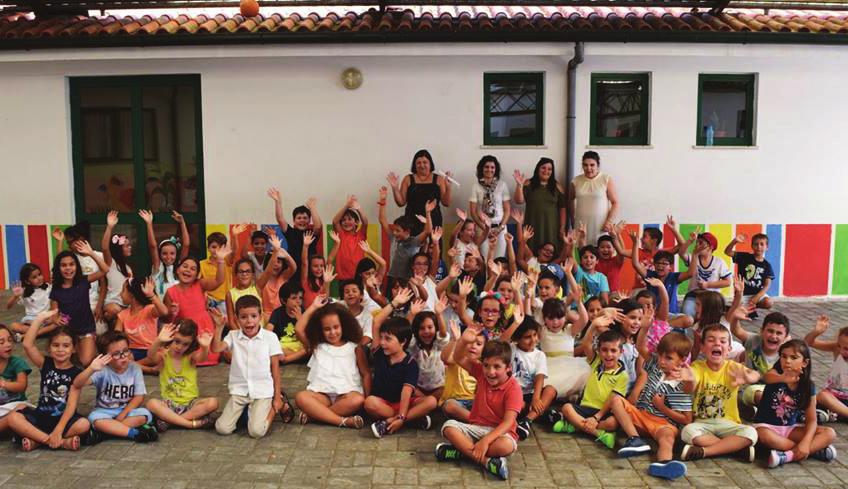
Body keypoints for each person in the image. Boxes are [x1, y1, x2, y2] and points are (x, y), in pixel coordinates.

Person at [436, 324, 522, 480]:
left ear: (508, 368)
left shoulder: (514, 388)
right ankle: (486, 461)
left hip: (500, 433)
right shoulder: (480, 373)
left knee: (507, 446)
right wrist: (463, 340)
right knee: (448, 427)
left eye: (497, 367)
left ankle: (462, 452)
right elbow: (458, 358)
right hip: (476, 428)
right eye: (486, 365)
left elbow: (508, 422)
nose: (490, 372)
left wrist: (486, 442)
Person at [609, 331, 693, 480]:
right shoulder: (655, 366)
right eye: (660, 355)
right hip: (642, 416)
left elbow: (686, 420)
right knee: (616, 400)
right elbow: (641, 346)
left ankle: (664, 464)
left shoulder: (682, 385)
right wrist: (646, 326)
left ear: (683, 360)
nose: (662, 360)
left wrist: (662, 408)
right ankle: (635, 439)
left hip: (664, 424)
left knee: (667, 439)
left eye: (668, 358)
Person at [6, 311, 90, 451]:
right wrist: (39, 319)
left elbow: (70, 406)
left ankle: (38, 440)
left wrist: (59, 429)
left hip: (64, 419)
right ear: (49, 348)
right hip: (41, 417)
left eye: (66, 346)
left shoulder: (76, 373)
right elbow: (27, 344)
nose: (60, 350)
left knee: (84, 424)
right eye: (55, 345)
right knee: (13, 418)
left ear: (74, 348)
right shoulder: (45, 364)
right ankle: (57, 442)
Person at [212, 295, 291, 438]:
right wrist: (218, 328)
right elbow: (216, 349)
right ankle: (246, 413)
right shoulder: (233, 335)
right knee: (222, 428)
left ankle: (275, 407)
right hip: (240, 391)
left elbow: (275, 369)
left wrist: (276, 398)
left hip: (262, 391)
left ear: (260, 316)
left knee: (256, 432)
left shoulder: (270, 337)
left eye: (254, 316)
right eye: (243, 317)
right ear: (236, 318)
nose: (249, 321)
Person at [680, 324, 760, 462]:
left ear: (729, 349)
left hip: (729, 423)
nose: (717, 343)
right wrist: (690, 380)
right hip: (702, 423)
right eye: (711, 340)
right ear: (703, 347)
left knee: (751, 432)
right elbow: (689, 388)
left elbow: (754, 375)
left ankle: (705, 451)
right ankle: (735, 449)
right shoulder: (697, 367)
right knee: (687, 431)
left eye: (723, 341)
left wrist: (749, 377)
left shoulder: (733, 367)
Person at [755, 340, 838, 467]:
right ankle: (813, 451)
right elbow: (767, 378)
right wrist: (783, 378)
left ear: (805, 363)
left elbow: (811, 420)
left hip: (790, 429)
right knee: (764, 436)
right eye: (783, 356)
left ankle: (787, 456)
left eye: (794, 357)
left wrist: (806, 441)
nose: (787, 361)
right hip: (765, 427)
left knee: (829, 433)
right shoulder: (775, 374)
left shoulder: (808, 386)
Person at [294, 297, 371, 428]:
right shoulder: (317, 346)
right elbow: (299, 330)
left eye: (336, 327)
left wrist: (368, 399)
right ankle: (342, 421)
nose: (333, 332)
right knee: (301, 397)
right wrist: (313, 307)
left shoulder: (354, 347)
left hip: (346, 396)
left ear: (343, 326)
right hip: (322, 396)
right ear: (320, 330)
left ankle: (315, 416)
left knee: (358, 400)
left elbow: (366, 374)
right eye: (327, 329)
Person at [72, 331, 158, 443]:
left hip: (127, 411)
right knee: (94, 418)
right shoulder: (102, 370)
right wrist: (91, 369)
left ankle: (105, 433)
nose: (123, 357)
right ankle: (134, 433)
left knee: (145, 414)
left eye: (126, 351)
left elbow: (139, 397)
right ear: (105, 357)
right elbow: (77, 383)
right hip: (104, 411)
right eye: (117, 354)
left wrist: (123, 414)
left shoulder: (135, 368)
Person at [552, 329, 627, 451]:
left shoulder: (623, 376)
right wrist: (594, 325)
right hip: (585, 407)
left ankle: (575, 425)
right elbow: (586, 344)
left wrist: (596, 417)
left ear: (621, 352)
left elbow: (612, 399)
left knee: (613, 423)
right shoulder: (596, 362)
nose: (608, 355)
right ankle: (599, 434)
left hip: (603, 411)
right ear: (598, 350)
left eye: (613, 350)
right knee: (566, 408)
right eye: (604, 350)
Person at [364, 316, 438, 438]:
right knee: (369, 403)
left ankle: (390, 422)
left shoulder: (411, 364)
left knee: (431, 401)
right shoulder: (379, 353)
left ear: (403, 341)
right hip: (384, 404)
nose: (382, 342)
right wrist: (395, 303)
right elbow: (376, 321)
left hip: (405, 403)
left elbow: (406, 392)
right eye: (381, 338)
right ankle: (413, 419)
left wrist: (402, 416)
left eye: (388, 339)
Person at [145, 321, 219, 432]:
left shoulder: (190, 357)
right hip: (169, 404)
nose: (179, 347)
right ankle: (189, 424)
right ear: (170, 337)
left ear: (191, 344)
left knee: (214, 402)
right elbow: (151, 356)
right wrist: (158, 340)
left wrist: (204, 347)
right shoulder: (163, 355)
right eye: (177, 341)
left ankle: (170, 421)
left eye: (185, 344)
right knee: (151, 404)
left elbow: (202, 358)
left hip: (191, 404)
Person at [728, 287, 790, 412]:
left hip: (777, 391)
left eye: (779, 333)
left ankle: (760, 411)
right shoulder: (754, 340)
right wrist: (735, 318)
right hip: (752, 388)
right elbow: (737, 330)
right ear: (762, 331)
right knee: (755, 394)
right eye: (770, 331)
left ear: (785, 337)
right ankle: (766, 410)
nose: (773, 336)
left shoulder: (786, 353)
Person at [49, 241, 109, 366]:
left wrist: (91, 253)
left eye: (71, 264)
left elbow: (105, 269)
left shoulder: (83, 281)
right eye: (63, 265)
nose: (68, 268)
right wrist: (57, 319)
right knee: (63, 360)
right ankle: (79, 349)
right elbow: (53, 314)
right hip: (68, 333)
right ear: (58, 268)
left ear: (77, 266)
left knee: (85, 361)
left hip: (86, 329)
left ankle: (89, 347)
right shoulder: (56, 290)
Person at [165, 251, 229, 367]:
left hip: (204, 330)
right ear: (178, 270)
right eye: (185, 266)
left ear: (196, 275)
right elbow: (167, 319)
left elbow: (218, 281)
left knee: (208, 356)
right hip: (186, 333)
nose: (188, 270)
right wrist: (172, 313)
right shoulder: (170, 292)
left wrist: (220, 261)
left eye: (193, 269)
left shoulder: (200, 284)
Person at [497, 311, 552, 441]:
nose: (533, 340)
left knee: (550, 391)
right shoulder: (511, 349)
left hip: (531, 394)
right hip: (513, 394)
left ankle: (527, 420)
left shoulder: (539, 355)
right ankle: (542, 414)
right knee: (520, 405)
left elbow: (540, 377)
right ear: (517, 339)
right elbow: (501, 342)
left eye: (535, 335)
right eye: (527, 337)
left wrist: (536, 398)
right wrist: (516, 324)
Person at [387, 149, 453, 236]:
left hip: (433, 221)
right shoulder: (408, 179)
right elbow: (401, 203)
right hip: (411, 222)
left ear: (430, 164)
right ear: (415, 165)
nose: (422, 165)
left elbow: (446, 203)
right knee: (412, 248)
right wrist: (395, 188)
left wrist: (448, 187)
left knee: (433, 248)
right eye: (418, 163)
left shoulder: (439, 179)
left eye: (425, 162)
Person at [379, 191, 434, 286]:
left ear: (407, 231)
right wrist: (382, 202)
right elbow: (382, 220)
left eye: (398, 230)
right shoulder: (394, 238)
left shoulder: (414, 242)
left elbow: (428, 231)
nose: (395, 233)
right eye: (394, 230)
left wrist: (428, 213)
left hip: (408, 279)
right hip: (392, 277)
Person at [115, 277, 169, 373]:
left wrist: (152, 296)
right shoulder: (122, 315)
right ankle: (149, 370)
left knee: (161, 355)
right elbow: (116, 336)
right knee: (120, 357)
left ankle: (132, 366)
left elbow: (164, 312)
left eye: (123, 291)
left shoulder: (149, 309)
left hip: (151, 351)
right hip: (132, 352)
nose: (120, 294)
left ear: (132, 295)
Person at [513, 158, 566, 253]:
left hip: (551, 227)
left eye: (549, 169)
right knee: (531, 254)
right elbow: (518, 201)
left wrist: (562, 227)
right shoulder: (528, 183)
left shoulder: (557, 186)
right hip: (532, 225)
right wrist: (519, 186)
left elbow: (563, 208)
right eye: (543, 168)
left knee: (551, 251)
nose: (546, 171)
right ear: (538, 169)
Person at [268, 187, 323, 273]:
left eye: (305, 218)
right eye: (299, 218)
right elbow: (280, 219)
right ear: (294, 221)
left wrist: (312, 207)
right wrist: (277, 202)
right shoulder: (290, 232)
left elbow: (318, 226)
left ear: (309, 221)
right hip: (292, 270)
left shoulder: (311, 233)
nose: (302, 220)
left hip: (309, 272)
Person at [804, 315, 848, 422]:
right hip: (832, 398)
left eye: (846, 349)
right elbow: (807, 343)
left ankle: (835, 414)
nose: (842, 351)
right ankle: (837, 414)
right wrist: (816, 331)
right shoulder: (836, 349)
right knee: (820, 396)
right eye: (839, 346)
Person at [568, 152, 618, 244]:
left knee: (601, 252)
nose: (588, 168)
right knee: (581, 253)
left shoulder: (605, 179)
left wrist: (608, 222)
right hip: (581, 225)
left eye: (592, 165)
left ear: (598, 165)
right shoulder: (576, 181)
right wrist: (572, 220)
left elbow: (615, 202)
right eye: (585, 165)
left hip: (600, 226)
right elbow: (570, 200)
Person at [138, 209, 190, 296]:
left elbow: (186, 245)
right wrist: (149, 224)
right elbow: (153, 246)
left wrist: (182, 223)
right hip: (161, 307)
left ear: (176, 254)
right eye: (164, 253)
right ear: (160, 254)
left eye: (172, 253)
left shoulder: (179, 268)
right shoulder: (158, 268)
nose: (168, 257)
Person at [680, 232, 732, 318]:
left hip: (712, 297)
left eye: (701, 243)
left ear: (711, 247)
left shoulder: (719, 262)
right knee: (686, 313)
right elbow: (681, 253)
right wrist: (690, 240)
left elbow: (728, 282)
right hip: (694, 294)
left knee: (713, 318)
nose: (697, 245)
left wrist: (708, 284)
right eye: (697, 242)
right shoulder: (693, 258)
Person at [469, 155, 511, 259]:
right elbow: (473, 212)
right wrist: (486, 229)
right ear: (482, 169)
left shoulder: (502, 185)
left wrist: (500, 227)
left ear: (495, 169)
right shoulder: (476, 186)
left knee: (500, 259)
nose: (489, 169)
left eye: (492, 167)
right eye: (486, 167)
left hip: (500, 229)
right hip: (483, 229)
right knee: (484, 258)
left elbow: (507, 210)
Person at [440, 321, 482, 422]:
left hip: (475, 401)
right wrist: (455, 340)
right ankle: (478, 421)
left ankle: (473, 420)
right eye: (469, 342)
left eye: (478, 344)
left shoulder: (483, 364)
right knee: (449, 406)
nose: (473, 346)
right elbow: (445, 358)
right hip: (455, 401)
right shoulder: (457, 358)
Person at [408, 300, 450, 399]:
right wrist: (412, 314)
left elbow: (443, 335)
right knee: (410, 389)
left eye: (430, 327)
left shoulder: (439, 344)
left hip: (438, 388)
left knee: (445, 389)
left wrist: (439, 314)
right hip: (419, 388)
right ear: (416, 331)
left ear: (436, 328)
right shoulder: (414, 346)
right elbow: (406, 334)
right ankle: (429, 403)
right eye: (422, 328)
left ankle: (428, 403)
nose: (426, 331)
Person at [725, 232, 775, 315]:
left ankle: (751, 307)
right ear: (752, 246)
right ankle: (740, 308)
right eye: (756, 244)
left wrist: (757, 297)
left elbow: (767, 285)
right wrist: (734, 241)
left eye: (762, 244)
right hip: (742, 294)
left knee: (768, 302)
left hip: (757, 294)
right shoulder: (744, 257)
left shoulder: (767, 265)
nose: (759, 246)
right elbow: (727, 252)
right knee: (736, 312)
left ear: (767, 247)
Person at [100, 211, 135, 324]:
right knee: (115, 311)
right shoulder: (110, 262)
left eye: (130, 245)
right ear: (118, 248)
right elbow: (105, 248)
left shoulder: (128, 268)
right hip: (112, 303)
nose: (129, 248)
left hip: (126, 305)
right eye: (126, 246)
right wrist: (110, 227)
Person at [7, 263, 55, 339]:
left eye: (39, 274)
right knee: (13, 326)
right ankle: (41, 332)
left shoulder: (48, 287)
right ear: (27, 281)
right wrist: (15, 296)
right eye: (34, 277)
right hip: (31, 320)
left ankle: (24, 336)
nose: (39, 278)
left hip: (46, 319)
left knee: (56, 324)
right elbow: (8, 307)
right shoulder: (24, 292)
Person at [0, 324, 32, 436]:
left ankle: (11, 424)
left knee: (21, 410)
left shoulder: (17, 362)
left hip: (16, 404)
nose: (8, 344)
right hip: (2, 409)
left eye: (10, 340)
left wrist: (3, 384)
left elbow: (21, 386)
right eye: (1, 342)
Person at [267, 281, 308, 363]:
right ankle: (293, 357)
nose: (298, 301)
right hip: (283, 347)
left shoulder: (304, 312)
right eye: (294, 298)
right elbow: (268, 332)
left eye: (300, 298)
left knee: (310, 349)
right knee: (272, 349)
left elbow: (308, 337)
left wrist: (300, 320)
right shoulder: (277, 313)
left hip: (299, 346)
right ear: (283, 301)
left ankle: (286, 359)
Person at [329, 195, 368, 281]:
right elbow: (335, 221)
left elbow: (365, 222)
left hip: (359, 276)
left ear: (357, 222)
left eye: (350, 219)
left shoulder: (360, 235)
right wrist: (346, 205)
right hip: (344, 277)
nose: (346, 222)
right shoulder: (341, 235)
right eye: (343, 220)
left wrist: (358, 208)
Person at [199, 231, 236, 319]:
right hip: (209, 301)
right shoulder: (201, 264)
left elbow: (234, 251)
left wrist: (234, 235)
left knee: (226, 325)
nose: (216, 251)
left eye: (220, 248)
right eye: (214, 247)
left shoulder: (226, 260)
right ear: (208, 248)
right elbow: (198, 285)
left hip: (225, 301)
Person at [301, 231, 335, 308]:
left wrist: (337, 243)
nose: (319, 269)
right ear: (310, 267)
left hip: (321, 314)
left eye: (322, 266)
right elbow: (304, 263)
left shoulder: (324, 280)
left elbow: (330, 259)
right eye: (315, 266)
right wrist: (305, 246)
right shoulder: (306, 280)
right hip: (309, 314)